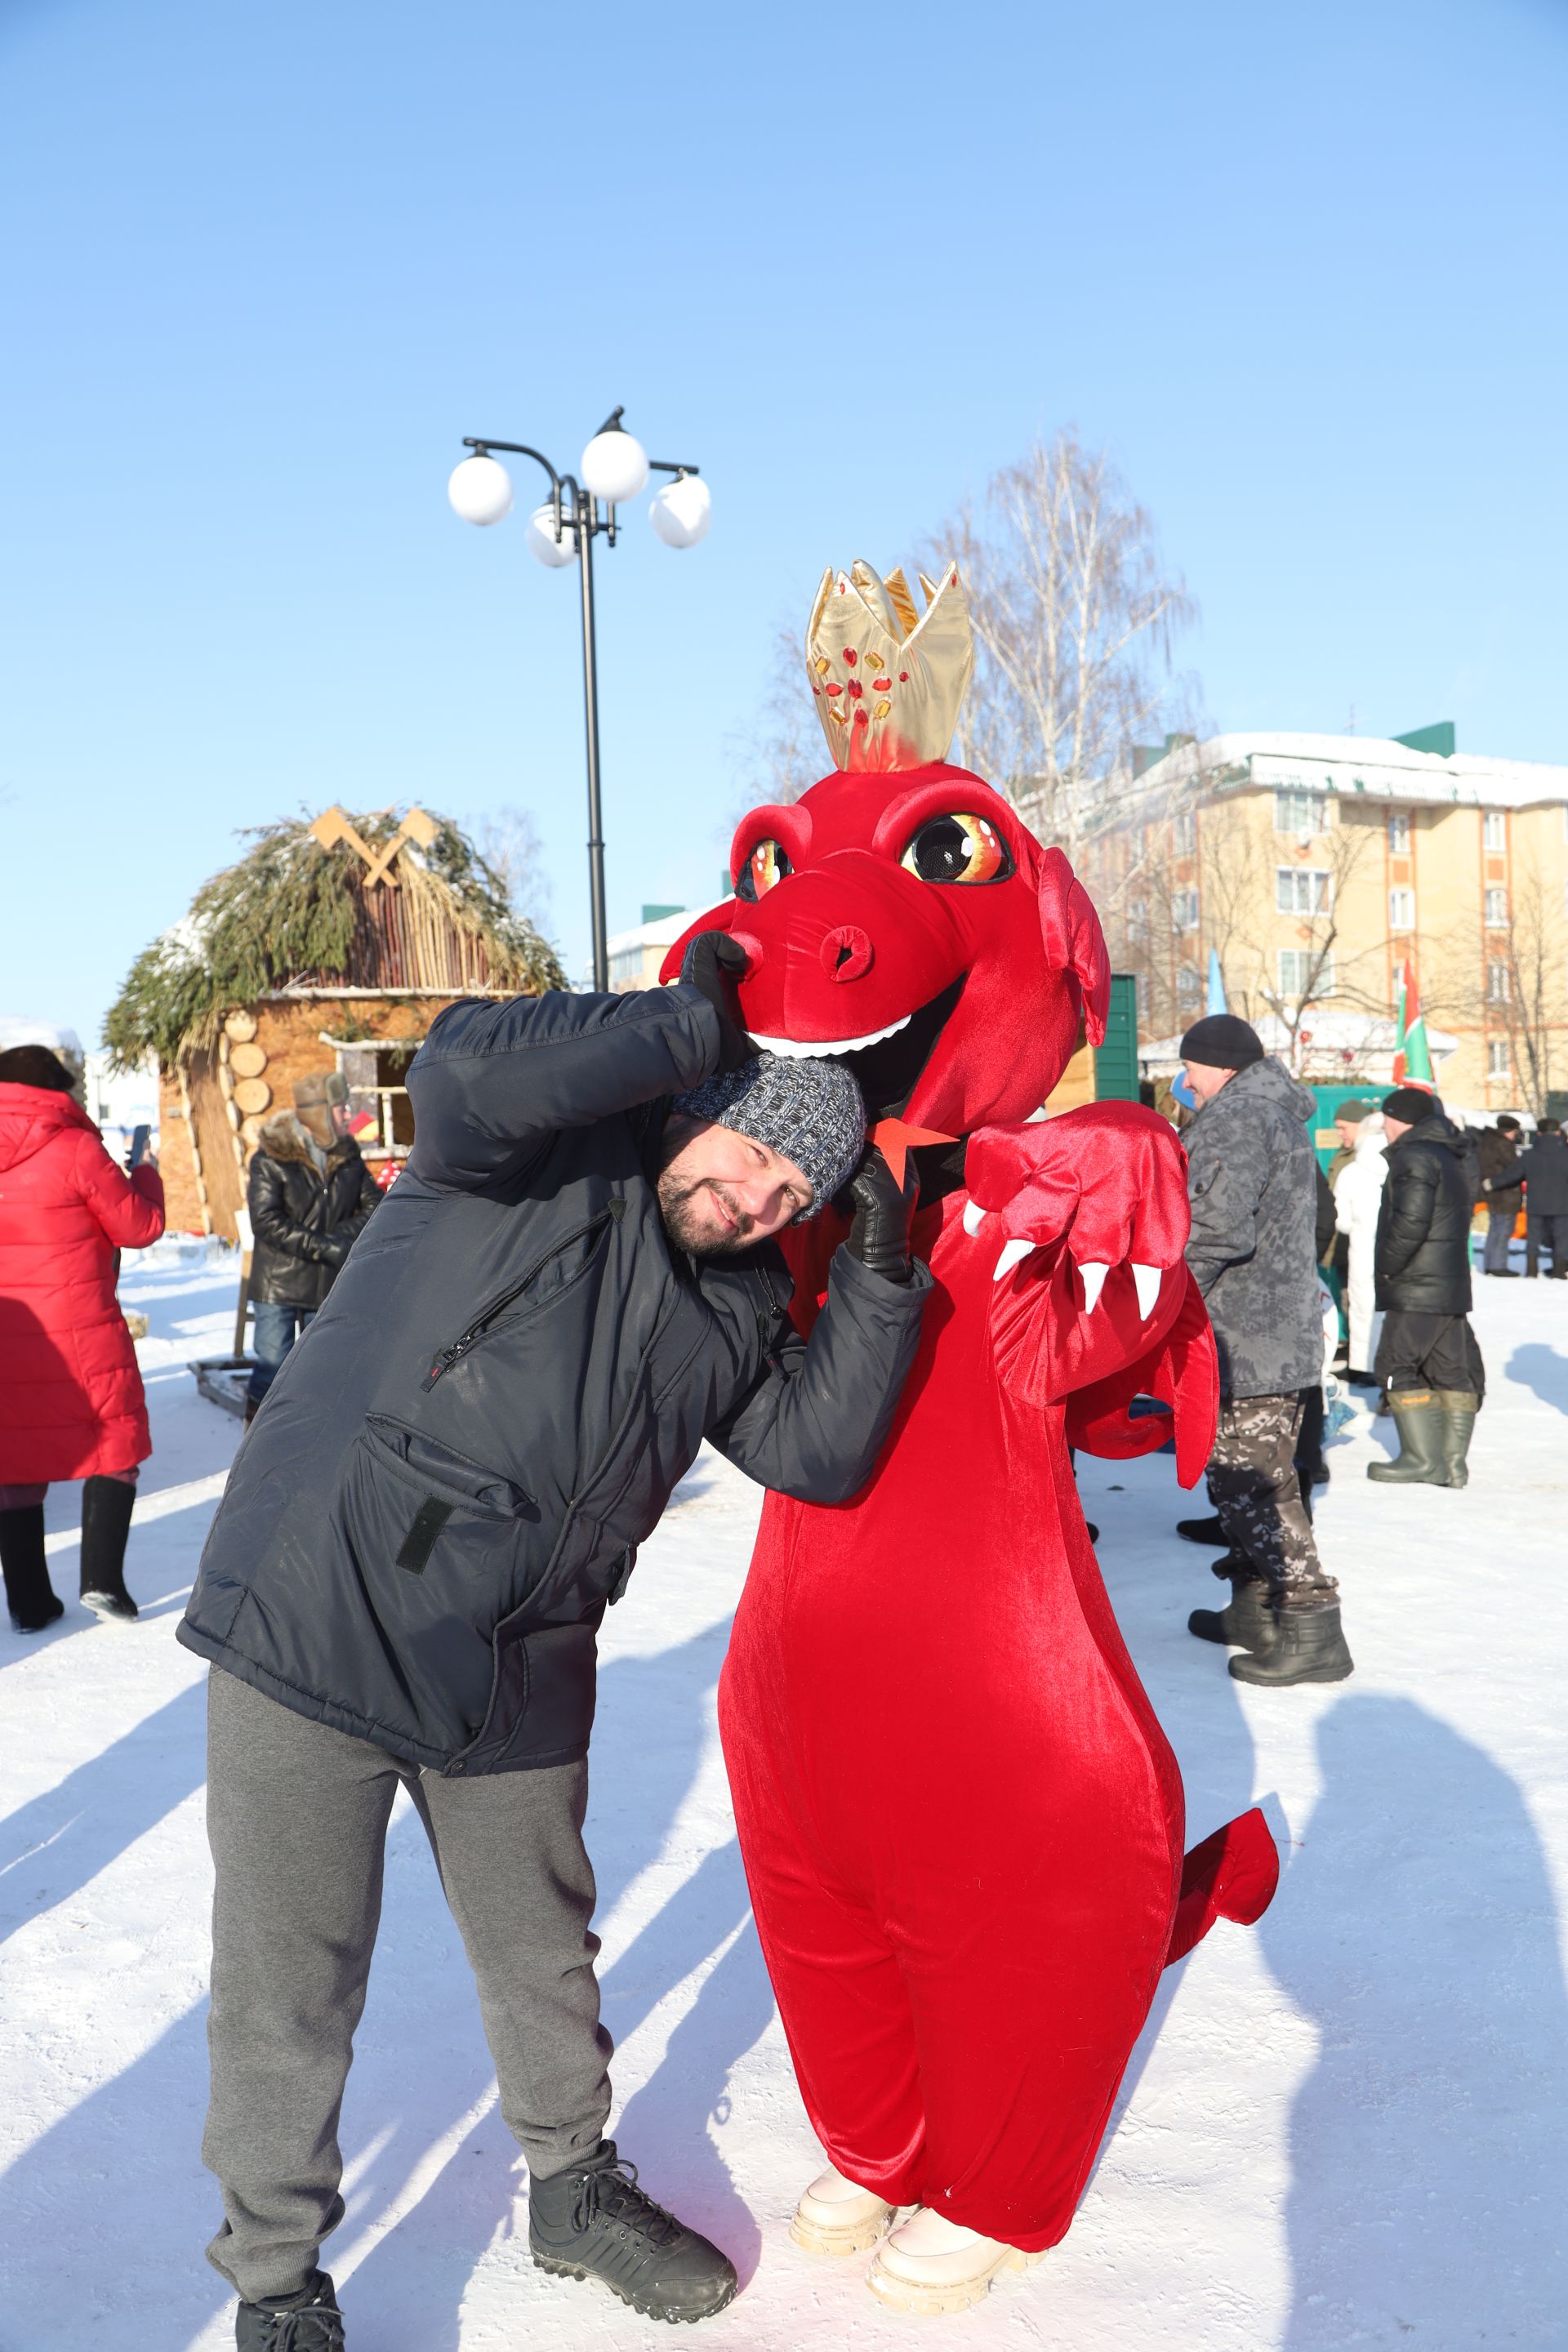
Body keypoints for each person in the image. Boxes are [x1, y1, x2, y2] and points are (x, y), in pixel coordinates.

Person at [178, 947, 930, 2349]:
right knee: (294, 1979)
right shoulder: (519, 1163)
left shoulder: (738, 1296)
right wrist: (688, 1018)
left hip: (525, 1656)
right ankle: (276, 2281)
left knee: (543, 1953)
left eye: (794, 1193)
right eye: (753, 1151)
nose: (756, 1196)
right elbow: (467, 1055)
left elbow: (815, 1456)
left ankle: (573, 2187)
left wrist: (882, 1280)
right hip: (326, 1611)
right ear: (695, 1101)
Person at [1178, 1013, 1352, 1686]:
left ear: (1219, 1065)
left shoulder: (1241, 1116)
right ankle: (1253, 1609)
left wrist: (1166, 1305)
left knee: (1252, 1478)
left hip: (1247, 1332)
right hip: (1269, 1330)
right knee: (1240, 1475)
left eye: (1191, 1068)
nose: (1184, 1081)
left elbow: (1216, 1230)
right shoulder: (1271, 1113)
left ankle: (1313, 1627)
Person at [0, 1043, 165, 1629]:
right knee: (113, 1440)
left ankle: (27, 1603)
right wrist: (144, 1167)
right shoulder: (74, 1147)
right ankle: (103, 1582)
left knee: (14, 1459)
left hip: (10, 1335)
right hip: (80, 1327)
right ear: (57, 1089)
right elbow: (139, 1226)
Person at [243, 1071, 381, 1420]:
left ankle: (309, 1440)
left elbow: (375, 1206)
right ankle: (256, 1442)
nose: (348, 1115)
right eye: (340, 1108)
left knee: (323, 1370)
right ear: (319, 1112)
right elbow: (267, 1222)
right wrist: (324, 1246)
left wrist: (336, 1240)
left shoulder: (347, 1155)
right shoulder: (271, 1158)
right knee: (272, 1370)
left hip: (326, 1284)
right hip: (279, 1285)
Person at [1368, 1086, 1484, 1486]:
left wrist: (1385, 1265)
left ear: (1400, 1119)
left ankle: (1421, 1459)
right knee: (1449, 1368)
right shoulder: (1449, 1153)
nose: (1382, 1125)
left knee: (1395, 1366)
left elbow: (1411, 1222)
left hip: (1418, 1283)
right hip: (1447, 1283)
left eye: (1386, 1117)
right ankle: (1452, 1464)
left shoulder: (1414, 1155)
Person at [1332, 1107, 1389, 1379]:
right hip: (1394, 1251)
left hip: (1362, 1251)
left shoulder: (1352, 1171)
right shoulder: (1401, 1164)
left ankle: (1362, 1366)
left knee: (1361, 1309)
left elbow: (1341, 1221)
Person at [1517, 1116, 1568, 1277]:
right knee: (1561, 1240)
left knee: (1533, 1240)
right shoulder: (1565, 1155)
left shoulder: (1529, 1155)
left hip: (1536, 1205)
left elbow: (1513, 1174)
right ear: (1558, 1132)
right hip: (1562, 1206)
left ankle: (1531, 1271)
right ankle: (1560, 1272)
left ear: (1538, 1133)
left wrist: (1491, 1183)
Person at [1474, 1113, 1523, 1276]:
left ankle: (1491, 1264)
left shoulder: (1486, 1141)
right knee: (1503, 1230)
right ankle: (1498, 1265)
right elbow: (1515, 1168)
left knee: (1495, 1230)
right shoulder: (1503, 1145)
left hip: (1492, 1193)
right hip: (1506, 1193)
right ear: (1509, 1131)